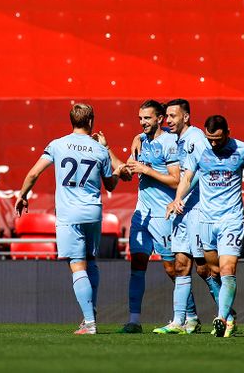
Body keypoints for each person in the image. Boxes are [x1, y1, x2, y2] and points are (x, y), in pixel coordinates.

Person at [14, 103, 119, 335]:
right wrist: (117, 169)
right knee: (91, 262)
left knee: (77, 265)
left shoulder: (57, 144)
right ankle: (89, 315)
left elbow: (34, 173)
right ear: (90, 121)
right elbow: (111, 185)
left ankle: (89, 323)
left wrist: (22, 195)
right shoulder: (100, 150)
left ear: (71, 121)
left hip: (69, 213)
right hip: (93, 211)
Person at [169, 114, 244, 338]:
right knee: (211, 271)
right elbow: (187, 178)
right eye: (210, 139)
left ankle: (221, 318)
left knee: (228, 269)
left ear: (228, 132)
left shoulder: (243, 150)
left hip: (231, 218)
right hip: (206, 219)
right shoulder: (200, 150)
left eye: (218, 139)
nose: (214, 144)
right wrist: (178, 198)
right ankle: (230, 317)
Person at [104, 99, 180, 333]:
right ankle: (134, 320)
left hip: (164, 216)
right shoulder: (139, 140)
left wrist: (147, 170)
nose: (143, 122)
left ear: (160, 119)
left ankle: (187, 317)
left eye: (147, 118)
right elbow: (128, 173)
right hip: (142, 215)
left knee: (172, 269)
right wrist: (107, 149)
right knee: (137, 265)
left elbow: (176, 180)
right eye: (140, 118)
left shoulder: (170, 142)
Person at [153, 98, 207, 334]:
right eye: (167, 116)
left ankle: (227, 315)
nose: (168, 120)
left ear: (186, 117)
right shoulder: (176, 140)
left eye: (173, 116)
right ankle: (181, 321)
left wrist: (179, 197)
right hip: (183, 210)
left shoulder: (196, 138)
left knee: (205, 269)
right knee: (181, 265)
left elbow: (199, 171)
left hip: (198, 210)